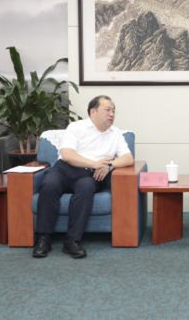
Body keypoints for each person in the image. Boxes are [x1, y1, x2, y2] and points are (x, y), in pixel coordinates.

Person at [32, 95, 133, 259]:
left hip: (90, 175)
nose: (112, 114)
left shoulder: (115, 133)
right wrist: (95, 163)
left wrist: (110, 165)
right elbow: (67, 154)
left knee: (86, 188)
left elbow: (128, 158)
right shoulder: (76, 127)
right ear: (93, 112)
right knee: (49, 185)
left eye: (113, 111)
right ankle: (44, 238)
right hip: (65, 169)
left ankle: (72, 240)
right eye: (107, 110)